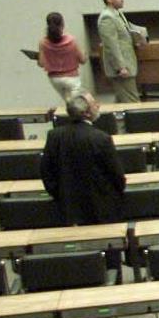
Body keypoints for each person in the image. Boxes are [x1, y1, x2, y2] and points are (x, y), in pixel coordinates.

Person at [42, 91, 126, 225]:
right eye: (94, 104)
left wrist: (58, 195)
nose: (98, 105)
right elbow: (116, 175)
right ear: (86, 113)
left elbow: (47, 173)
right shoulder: (101, 138)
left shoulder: (54, 136)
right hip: (100, 207)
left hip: (67, 207)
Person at [97, 0, 147, 103]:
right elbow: (111, 45)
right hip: (122, 67)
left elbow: (124, 35)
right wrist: (120, 67)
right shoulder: (107, 18)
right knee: (132, 101)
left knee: (122, 100)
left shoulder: (117, 13)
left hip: (127, 62)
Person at [37, 12, 86, 103]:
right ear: (62, 24)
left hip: (55, 79)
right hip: (72, 77)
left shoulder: (43, 42)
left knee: (68, 102)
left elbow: (41, 63)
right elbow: (83, 60)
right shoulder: (71, 40)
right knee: (78, 105)